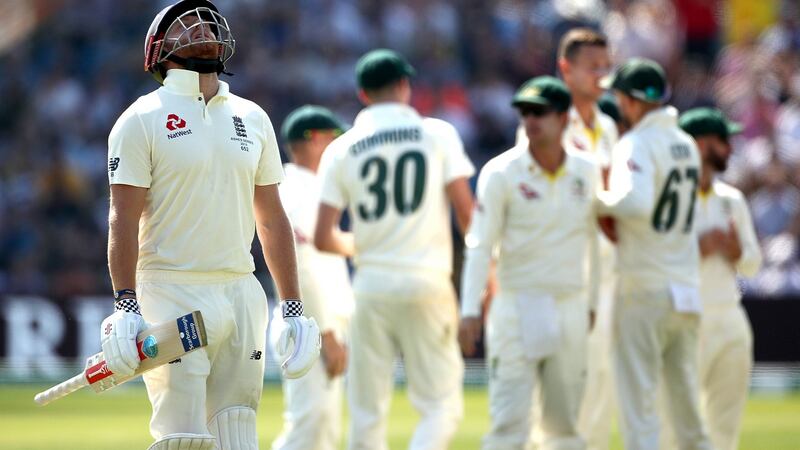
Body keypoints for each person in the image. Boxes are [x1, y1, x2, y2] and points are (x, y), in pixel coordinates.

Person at [101, 2, 319, 448]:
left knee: (237, 435)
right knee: (181, 437)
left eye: (207, 20)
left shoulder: (252, 117)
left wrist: (292, 305)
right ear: (158, 47)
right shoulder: (141, 118)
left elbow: (272, 217)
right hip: (170, 290)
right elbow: (122, 218)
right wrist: (125, 302)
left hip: (241, 292)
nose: (202, 26)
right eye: (186, 22)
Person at [314, 48, 475, 450]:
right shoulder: (438, 134)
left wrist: (368, 245)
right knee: (441, 407)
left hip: (370, 286)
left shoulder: (342, 148)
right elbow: (468, 215)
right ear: (404, 86)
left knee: (366, 414)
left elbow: (322, 237)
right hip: (428, 282)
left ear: (363, 94)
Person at [460, 75, 599, 450]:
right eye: (524, 112)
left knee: (564, 426)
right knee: (508, 426)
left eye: (540, 112)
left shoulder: (587, 171)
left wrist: (593, 302)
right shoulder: (501, 172)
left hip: (570, 302)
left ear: (565, 117)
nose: (531, 120)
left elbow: (594, 241)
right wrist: (470, 309)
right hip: (516, 306)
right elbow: (479, 245)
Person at [597, 58, 711, 450]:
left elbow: (635, 203)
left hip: (645, 287)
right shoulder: (685, 143)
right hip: (685, 287)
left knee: (639, 407)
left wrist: (596, 199)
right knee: (687, 411)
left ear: (630, 101)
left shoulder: (637, 143)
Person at [672, 107, 762, 450]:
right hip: (685, 318)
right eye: (722, 140)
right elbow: (653, 260)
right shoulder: (672, 196)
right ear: (698, 144)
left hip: (730, 315)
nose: (730, 147)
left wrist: (737, 251)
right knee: (679, 425)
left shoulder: (732, 199)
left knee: (725, 426)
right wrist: (700, 248)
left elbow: (753, 265)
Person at [270, 105, 354, 450]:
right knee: (311, 425)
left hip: (315, 325)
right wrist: (326, 333)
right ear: (315, 141)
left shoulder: (306, 188)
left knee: (323, 428)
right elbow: (301, 265)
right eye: (335, 140)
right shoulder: (297, 190)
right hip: (308, 327)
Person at [551, 29, 620, 450]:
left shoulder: (609, 126)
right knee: (564, 384)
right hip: (565, 267)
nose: (601, 76)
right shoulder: (547, 122)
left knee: (602, 380)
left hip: (607, 268)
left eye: (605, 67)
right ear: (565, 69)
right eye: (592, 67)